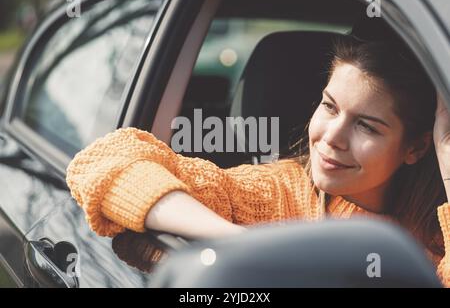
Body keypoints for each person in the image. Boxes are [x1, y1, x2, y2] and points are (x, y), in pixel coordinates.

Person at [66, 18, 450, 286]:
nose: (332, 137)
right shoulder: (274, 195)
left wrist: (448, 165)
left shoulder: (436, 236)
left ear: (416, 146)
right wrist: (239, 240)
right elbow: (105, 161)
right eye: (329, 106)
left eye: (366, 125)